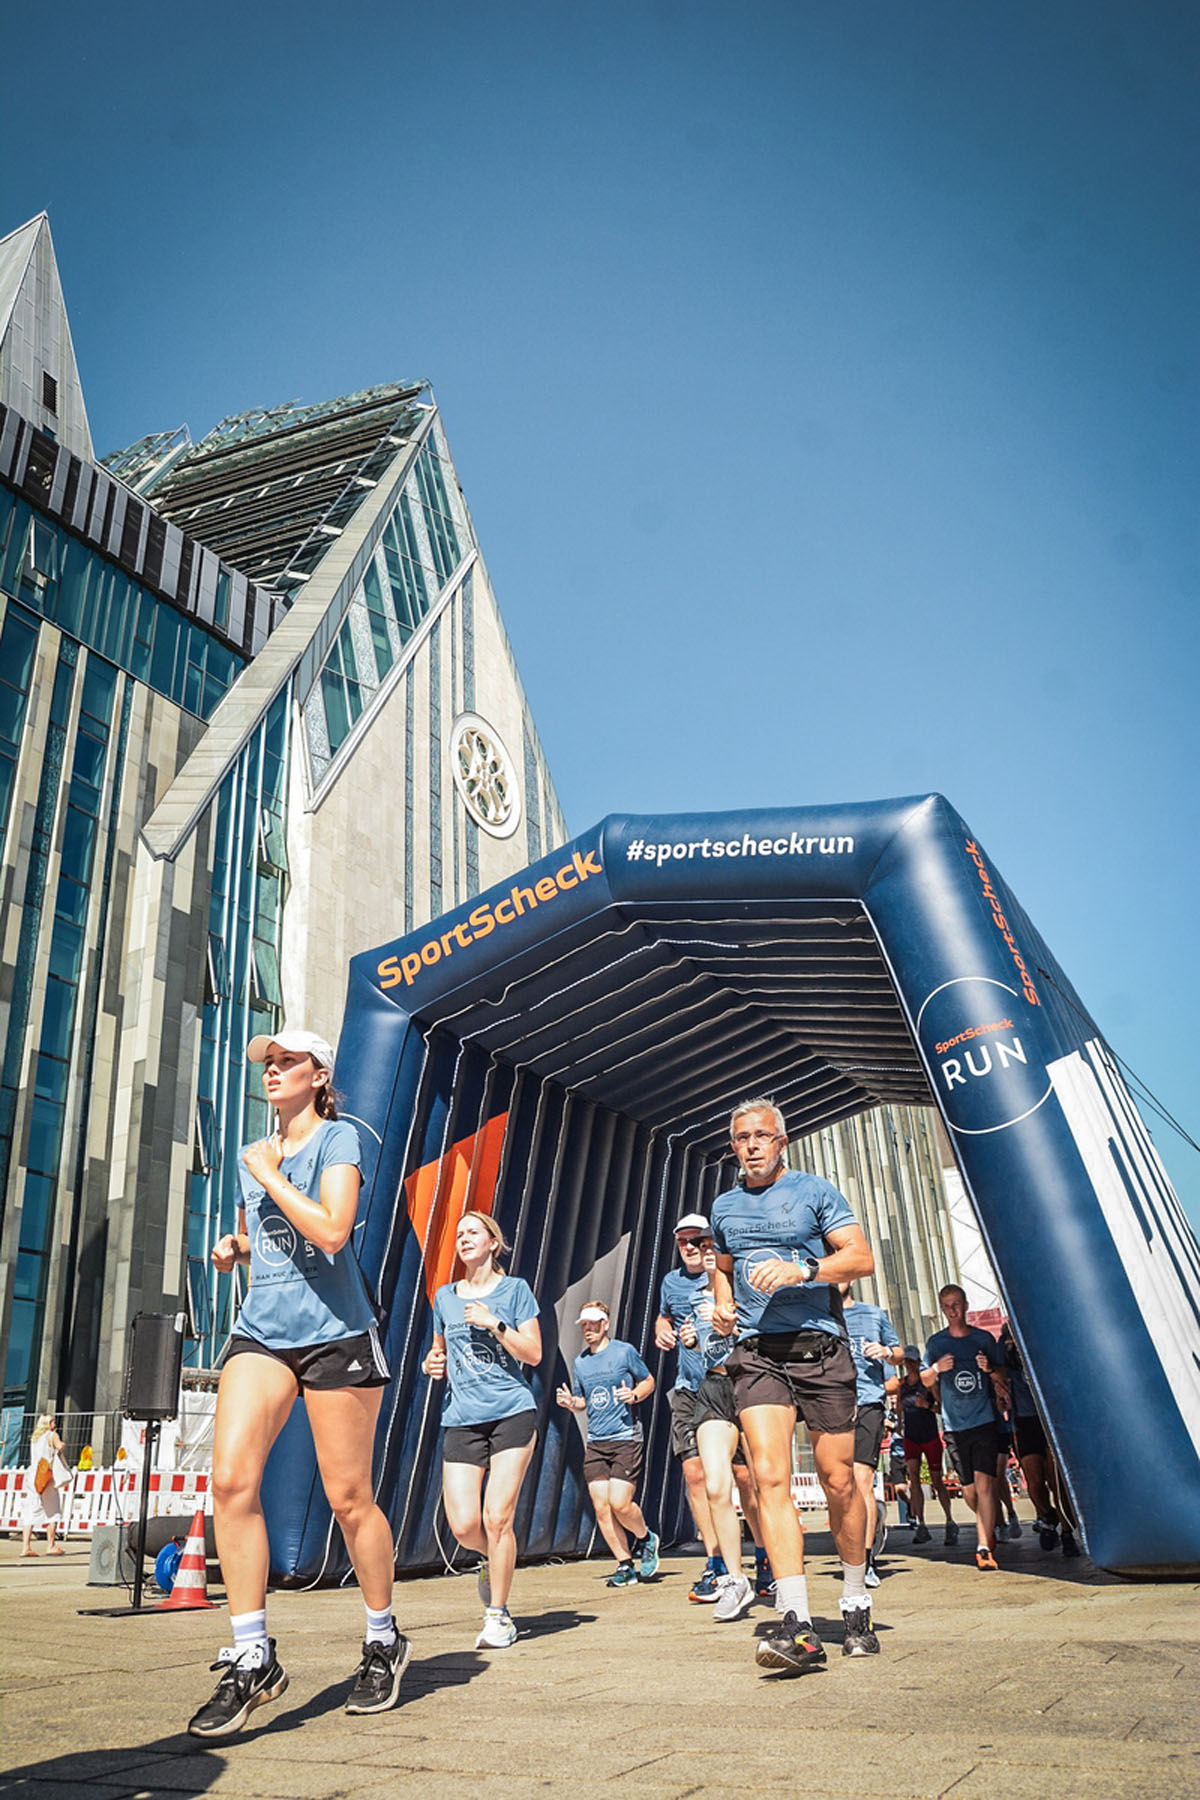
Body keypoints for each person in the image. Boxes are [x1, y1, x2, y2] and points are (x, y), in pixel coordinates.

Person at [189, 1028, 405, 1739]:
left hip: (337, 1332)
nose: (273, 1071)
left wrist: (272, 1174)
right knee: (230, 1482)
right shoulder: (256, 1155)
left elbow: (334, 1231)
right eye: (269, 1063)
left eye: (288, 1062)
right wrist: (238, 1246)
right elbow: (276, 1241)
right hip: (264, 1330)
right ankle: (252, 1657)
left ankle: (383, 1638)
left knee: (348, 1499)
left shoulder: (338, 1140)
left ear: (319, 1076)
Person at [711, 1098, 879, 1672]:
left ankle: (855, 1601)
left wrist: (803, 1270)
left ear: (781, 1142)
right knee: (768, 1477)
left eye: (762, 1135)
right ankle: (797, 1623)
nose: (752, 1145)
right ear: (733, 1147)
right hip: (759, 1352)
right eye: (742, 1138)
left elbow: (861, 1258)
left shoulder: (815, 1191)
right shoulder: (724, 1207)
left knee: (839, 1482)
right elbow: (723, 1269)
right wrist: (722, 1306)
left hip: (820, 1348)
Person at [423, 1210, 542, 1648]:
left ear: (493, 1242)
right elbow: (437, 1352)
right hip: (461, 1418)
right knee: (463, 1526)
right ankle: (494, 1559)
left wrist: (496, 1324)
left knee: (497, 1518)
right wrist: (432, 1363)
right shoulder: (445, 1297)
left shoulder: (516, 1290)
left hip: (511, 1413)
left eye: (472, 1232)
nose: (463, 1238)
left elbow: (534, 1354)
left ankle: (499, 1616)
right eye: (459, 1234)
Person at [556, 1302, 659, 1586]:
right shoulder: (580, 1362)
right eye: (584, 1324)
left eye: (593, 1323)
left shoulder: (624, 1352)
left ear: (606, 1324)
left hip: (625, 1437)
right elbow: (583, 1401)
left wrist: (634, 1395)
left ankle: (645, 1538)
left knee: (620, 1503)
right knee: (601, 1507)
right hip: (597, 1442)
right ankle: (625, 1565)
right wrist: (571, 1403)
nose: (588, 1329)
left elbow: (648, 1381)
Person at [654, 1213, 728, 1602]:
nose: (690, 1247)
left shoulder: (726, 1274)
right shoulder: (671, 1281)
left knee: (744, 1476)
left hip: (729, 1385)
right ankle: (715, 1561)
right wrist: (662, 1329)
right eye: (683, 1241)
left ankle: (765, 1557)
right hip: (688, 1388)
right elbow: (664, 1315)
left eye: (697, 1240)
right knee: (694, 1474)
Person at [921, 1285, 1009, 1572]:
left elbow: (1002, 1373)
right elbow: (924, 1379)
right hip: (954, 1426)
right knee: (970, 1492)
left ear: (966, 1305)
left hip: (983, 1421)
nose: (952, 1310)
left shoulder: (983, 1339)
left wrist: (989, 1369)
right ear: (941, 1308)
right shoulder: (936, 1343)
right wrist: (937, 1369)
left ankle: (983, 1547)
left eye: (956, 1304)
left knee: (985, 1486)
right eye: (947, 1305)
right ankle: (988, 1524)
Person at [840, 1286, 904, 1588]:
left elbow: (899, 1353)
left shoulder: (873, 1314)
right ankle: (855, 1544)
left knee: (861, 1479)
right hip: (832, 1405)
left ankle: (865, 1560)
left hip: (868, 1403)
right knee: (840, 1484)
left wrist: (886, 1352)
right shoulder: (820, 1316)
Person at [998, 1320, 1079, 1556]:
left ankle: (1067, 1531)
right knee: (1034, 1481)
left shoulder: (1043, 1344)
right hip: (1025, 1420)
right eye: (1009, 1341)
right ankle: (1047, 1515)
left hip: (1050, 1418)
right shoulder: (1006, 1352)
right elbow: (997, 1373)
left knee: (1056, 1480)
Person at [898, 1349, 958, 1545]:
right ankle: (921, 1524)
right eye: (906, 1361)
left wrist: (927, 1406)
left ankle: (949, 1521)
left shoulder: (929, 1383)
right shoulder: (902, 1385)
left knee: (936, 1480)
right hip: (911, 1437)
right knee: (914, 1480)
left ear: (918, 1362)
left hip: (930, 1436)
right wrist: (897, 1425)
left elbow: (942, 1408)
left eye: (912, 1361)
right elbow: (899, 1409)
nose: (909, 1365)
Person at [21, 1412, 67, 1557]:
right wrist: (61, 1445)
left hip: (33, 1475)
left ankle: (26, 1546)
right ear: (48, 1423)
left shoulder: (35, 1438)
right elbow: (59, 1446)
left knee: (31, 1509)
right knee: (53, 1510)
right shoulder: (51, 1435)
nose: (55, 1424)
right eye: (53, 1421)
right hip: (46, 1474)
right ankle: (51, 1545)